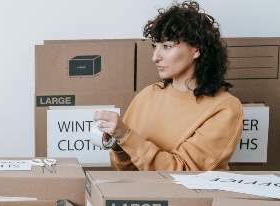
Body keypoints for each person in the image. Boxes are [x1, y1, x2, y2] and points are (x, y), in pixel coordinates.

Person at [93, 1, 243, 171]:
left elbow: (185, 173)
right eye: (155, 46)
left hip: (189, 197)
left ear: (196, 49)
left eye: (167, 46)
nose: (155, 57)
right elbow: (126, 170)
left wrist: (127, 137)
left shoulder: (225, 108)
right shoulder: (148, 95)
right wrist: (118, 143)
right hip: (141, 195)